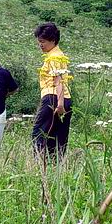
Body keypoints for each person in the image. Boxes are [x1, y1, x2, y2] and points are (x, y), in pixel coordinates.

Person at [31, 23, 73, 160]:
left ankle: (38, 164)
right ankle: (56, 164)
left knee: (39, 132)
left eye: (43, 42)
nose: (40, 45)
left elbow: (58, 79)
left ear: (52, 40)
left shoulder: (53, 57)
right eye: (39, 42)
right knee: (57, 134)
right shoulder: (60, 55)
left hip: (53, 97)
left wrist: (59, 104)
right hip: (65, 98)